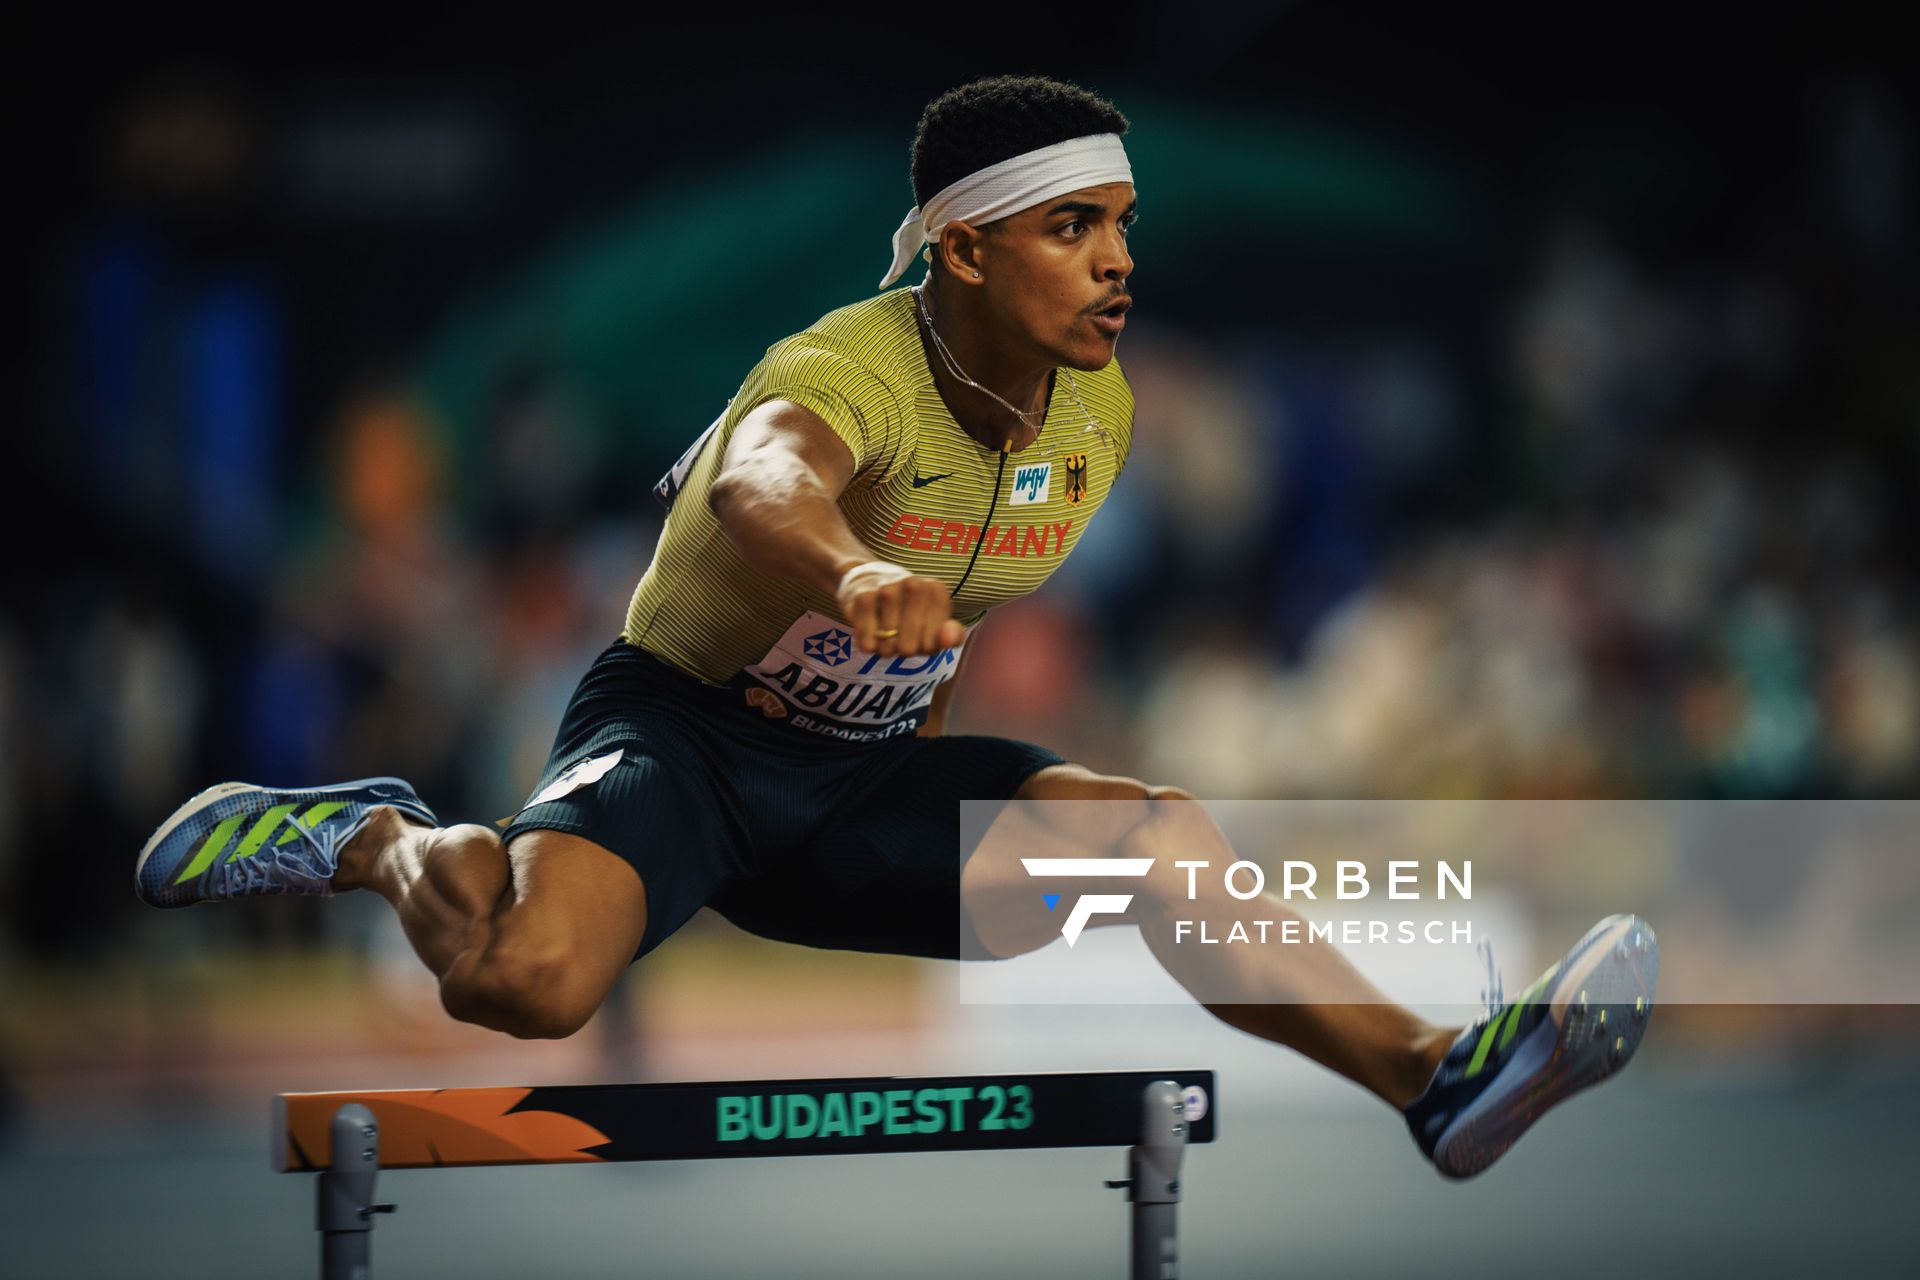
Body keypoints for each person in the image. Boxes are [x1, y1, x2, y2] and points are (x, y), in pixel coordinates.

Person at [135, 75, 1658, 1180]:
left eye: (1123, 223)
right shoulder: (849, 365)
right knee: (520, 983)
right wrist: (850, 573)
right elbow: (758, 477)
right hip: (685, 744)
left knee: (1157, 838)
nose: (1120, 260)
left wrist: (909, 690)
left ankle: (1435, 1084)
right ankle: (378, 839)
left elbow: (951, 619)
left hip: (859, 789)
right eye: (1074, 226)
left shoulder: (1099, 420)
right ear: (965, 250)